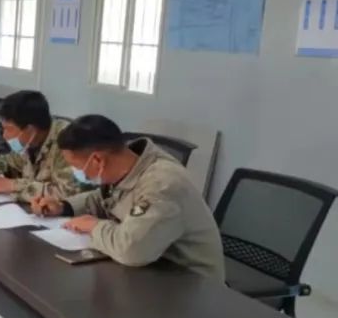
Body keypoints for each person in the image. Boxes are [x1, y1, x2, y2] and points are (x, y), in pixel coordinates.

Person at [29, 115, 224, 280]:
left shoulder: (162, 184)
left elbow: (132, 249)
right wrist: (64, 206)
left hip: (192, 285)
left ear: (97, 160)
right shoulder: (126, 167)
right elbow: (105, 198)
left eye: (75, 166)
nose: (75, 172)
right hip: (152, 270)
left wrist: (94, 226)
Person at [0, 90, 84, 203]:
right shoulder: (30, 142)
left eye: (9, 129)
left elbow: (67, 193)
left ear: (30, 130)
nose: (4, 135)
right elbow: (9, 161)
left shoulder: (67, 143)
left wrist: (13, 185)